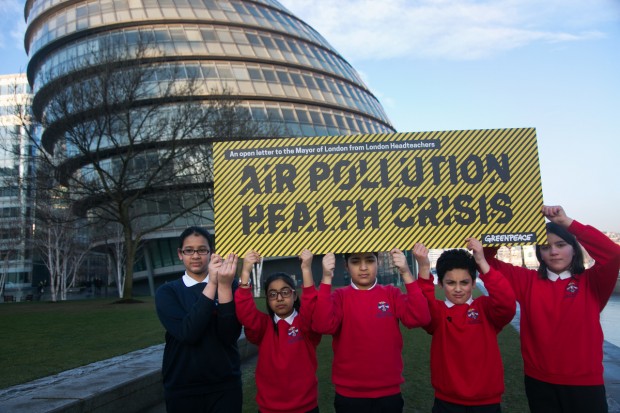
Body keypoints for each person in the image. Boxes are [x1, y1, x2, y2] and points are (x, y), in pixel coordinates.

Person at [483, 205, 620, 413]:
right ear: (540, 253)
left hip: (585, 385)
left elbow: (612, 254)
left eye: (561, 244)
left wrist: (567, 223)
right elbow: (486, 262)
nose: (554, 251)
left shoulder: (592, 282)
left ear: (574, 249)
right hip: (539, 383)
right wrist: (503, 232)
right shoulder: (527, 281)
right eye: (546, 247)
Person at [312, 249, 431, 413]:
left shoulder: (391, 293)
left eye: (369, 260)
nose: (363, 267)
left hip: (389, 394)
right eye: (355, 262)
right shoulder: (339, 296)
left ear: (378, 262)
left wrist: (406, 272)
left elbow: (421, 318)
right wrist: (326, 278)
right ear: (346, 266)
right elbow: (322, 326)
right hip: (349, 396)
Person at [414, 240, 516, 413]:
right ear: (440, 284)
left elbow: (507, 304)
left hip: (487, 403)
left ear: (474, 282)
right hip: (447, 402)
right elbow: (422, 310)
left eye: (464, 282)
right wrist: (423, 268)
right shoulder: (438, 313)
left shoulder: (485, 308)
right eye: (451, 283)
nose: (458, 289)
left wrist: (482, 262)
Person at [155, 226, 242, 413]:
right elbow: (188, 333)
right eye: (189, 250)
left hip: (225, 385)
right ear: (180, 254)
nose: (195, 256)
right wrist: (212, 283)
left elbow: (229, 336)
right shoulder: (168, 292)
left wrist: (223, 286)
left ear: (211, 253)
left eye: (202, 250)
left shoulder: (229, 284)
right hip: (183, 386)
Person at [234, 249, 321, 413]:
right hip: (269, 409)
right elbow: (245, 312)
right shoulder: (263, 326)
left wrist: (306, 269)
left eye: (285, 292)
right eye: (273, 294)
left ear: (295, 296)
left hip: (306, 408)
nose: (280, 298)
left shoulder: (305, 324)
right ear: (267, 299)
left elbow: (311, 305)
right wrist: (245, 271)